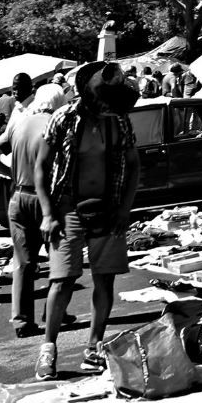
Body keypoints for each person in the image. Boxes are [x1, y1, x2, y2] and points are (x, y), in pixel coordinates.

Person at [34, 61, 141, 379]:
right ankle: (48, 349)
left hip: (108, 210)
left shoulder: (119, 120)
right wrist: (47, 214)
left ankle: (93, 347)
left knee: (105, 279)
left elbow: (133, 164)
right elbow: (41, 167)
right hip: (67, 210)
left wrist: (125, 208)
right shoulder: (63, 118)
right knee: (62, 280)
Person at [0, 84, 68, 336]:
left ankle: (21, 321)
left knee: (23, 262)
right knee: (58, 259)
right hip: (48, 199)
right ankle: (54, 311)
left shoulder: (18, 124)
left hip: (18, 196)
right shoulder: (56, 124)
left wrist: (11, 174)